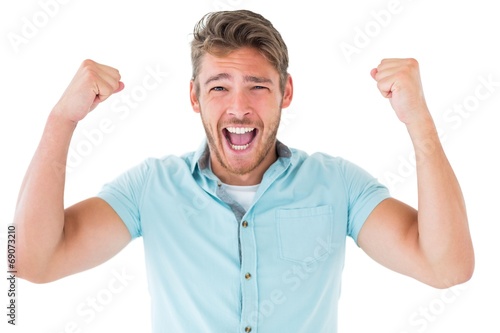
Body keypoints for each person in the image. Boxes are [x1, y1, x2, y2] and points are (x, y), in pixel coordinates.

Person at [14, 9, 474, 333]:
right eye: (219, 87)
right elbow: (29, 260)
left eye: (257, 86)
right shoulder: (149, 189)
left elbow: (447, 267)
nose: (239, 108)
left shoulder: (339, 187)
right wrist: (62, 120)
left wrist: (420, 122)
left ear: (285, 92)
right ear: (194, 98)